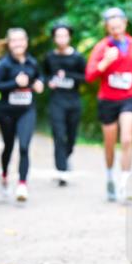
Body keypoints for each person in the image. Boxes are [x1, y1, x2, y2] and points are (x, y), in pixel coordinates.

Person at [85, 7, 132, 202]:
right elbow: (89, 76)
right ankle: (109, 176)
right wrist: (105, 62)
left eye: (119, 26)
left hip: (129, 98)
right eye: (112, 27)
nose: (116, 30)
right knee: (110, 144)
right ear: (106, 28)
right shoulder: (101, 47)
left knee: (128, 139)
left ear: (125, 23)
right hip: (107, 100)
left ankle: (126, 181)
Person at [0, 28, 44, 202]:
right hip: (7, 112)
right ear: (9, 43)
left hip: (27, 111)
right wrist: (14, 83)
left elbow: (39, 77)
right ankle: (5, 174)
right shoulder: (4, 64)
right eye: (14, 41)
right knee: (8, 146)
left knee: (24, 146)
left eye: (21, 40)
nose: (18, 44)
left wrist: (39, 84)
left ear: (26, 42)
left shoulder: (32, 62)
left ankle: (22, 184)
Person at [43, 22, 87, 186]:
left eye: (64, 35)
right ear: (54, 38)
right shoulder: (49, 57)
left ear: (69, 37)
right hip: (56, 102)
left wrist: (68, 75)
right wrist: (49, 82)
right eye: (58, 36)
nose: (61, 39)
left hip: (73, 102)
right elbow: (43, 76)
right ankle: (61, 171)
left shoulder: (77, 57)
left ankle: (65, 158)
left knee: (71, 137)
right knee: (58, 135)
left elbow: (85, 78)